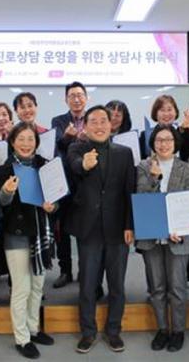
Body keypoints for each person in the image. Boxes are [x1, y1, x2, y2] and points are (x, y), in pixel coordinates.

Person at [66, 105, 135, 354]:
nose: (99, 125)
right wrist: (84, 165)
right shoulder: (76, 149)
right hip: (89, 229)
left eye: (103, 120)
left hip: (118, 229)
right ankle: (88, 332)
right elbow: (74, 166)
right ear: (85, 126)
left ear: (111, 124)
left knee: (117, 285)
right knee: (87, 285)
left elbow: (129, 191)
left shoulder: (125, 153)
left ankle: (113, 331)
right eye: (93, 121)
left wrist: (129, 224)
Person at [0, 123, 57, 359]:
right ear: (12, 142)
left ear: (36, 143)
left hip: (40, 234)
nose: (26, 144)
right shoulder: (4, 169)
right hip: (16, 234)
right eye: (21, 139)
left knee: (38, 286)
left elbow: (56, 197)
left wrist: (53, 205)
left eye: (30, 139)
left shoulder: (45, 166)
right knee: (22, 288)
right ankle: (22, 338)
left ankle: (33, 329)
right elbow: (0, 203)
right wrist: (7, 191)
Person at [136, 124, 189, 352]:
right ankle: (162, 329)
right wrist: (154, 178)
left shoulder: (185, 168)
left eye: (168, 140)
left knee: (178, 288)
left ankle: (178, 331)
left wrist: (179, 228)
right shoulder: (143, 167)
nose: (163, 144)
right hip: (151, 236)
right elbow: (142, 198)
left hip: (178, 237)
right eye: (159, 140)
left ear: (175, 143)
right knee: (157, 287)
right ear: (153, 143)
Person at [50, 81, 88, 288]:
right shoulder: (58, 121)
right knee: (62, 229)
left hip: (86, 182)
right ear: (66, 100)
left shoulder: (93, 119)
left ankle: (84, 270)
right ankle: (65, 271)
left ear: (86, 98)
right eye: (72, 96)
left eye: (80, 95)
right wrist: (67, 137)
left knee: (84, 228)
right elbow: (56, 146)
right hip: (64, 182)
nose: (76, 99)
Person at [139, 95, 179, 159]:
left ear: (176, 112)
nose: (166, 114)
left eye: (169, 110)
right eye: (162, 110)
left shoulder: (182, 132)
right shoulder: (145, 135)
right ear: (155, 113)